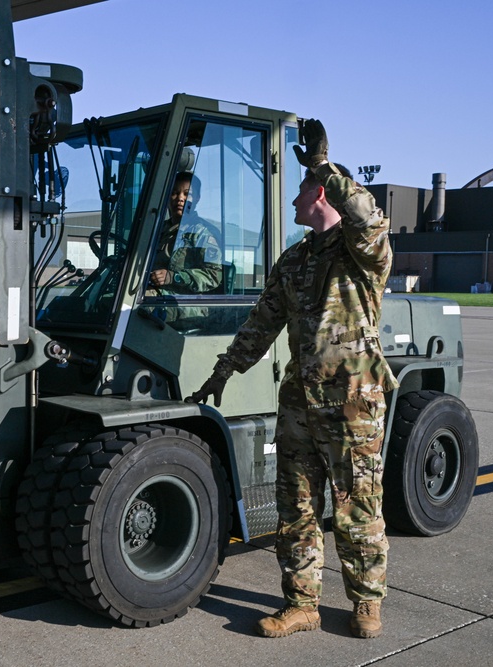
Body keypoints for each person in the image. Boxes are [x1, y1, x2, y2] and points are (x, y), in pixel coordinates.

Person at [187, 119, 397, 639]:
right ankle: (303, 604)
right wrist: (224, 371)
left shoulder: (361, 253)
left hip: (353, 402)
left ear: (321, 193)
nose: (293, 202)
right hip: (301, 403)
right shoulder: (295, 260)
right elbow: (262, 322)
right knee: (297, 507)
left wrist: (322, 165)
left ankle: (367, 604)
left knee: (356, 505)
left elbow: (369, 219)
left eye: (302, 191)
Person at [148, 172, 223, 329]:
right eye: (174, 193)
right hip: (158, 295)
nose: (180, 198)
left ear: (197, 199)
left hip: (189, 302)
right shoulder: (158, 230)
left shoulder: (204, 233)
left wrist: (173, 277)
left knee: (134, 310)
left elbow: (213, 276)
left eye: (187, 194)